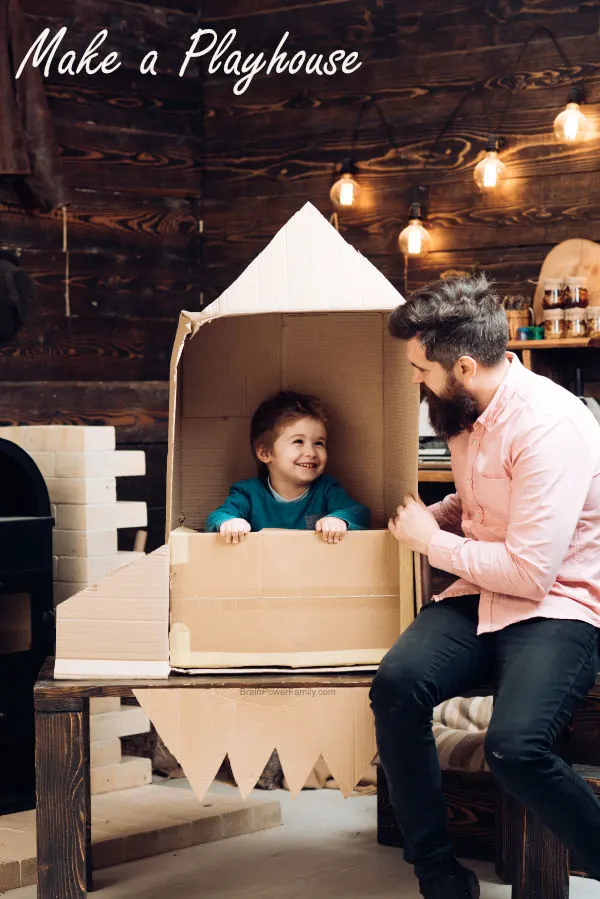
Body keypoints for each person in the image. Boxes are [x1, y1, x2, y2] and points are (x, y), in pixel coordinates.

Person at [370, 274, 600, 899]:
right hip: (476, 595)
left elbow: (530, 572)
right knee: (395, 687)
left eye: (421, 369)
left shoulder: (550, 426)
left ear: (463, 366)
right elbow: (484, 507)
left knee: (515, 747)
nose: (416, 382)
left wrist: (430, 543)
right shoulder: (462, 409)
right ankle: (440, 875)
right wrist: (439, 514)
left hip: (556, 604)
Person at [205, 390, 370, 543]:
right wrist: (230, 523)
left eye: (319, 443)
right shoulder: (248, 494)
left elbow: (361, 514)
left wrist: (339, 520)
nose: (311, 452)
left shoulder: (326, 490)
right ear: (265, 453)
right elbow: (216, 517)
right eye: (299, 441)